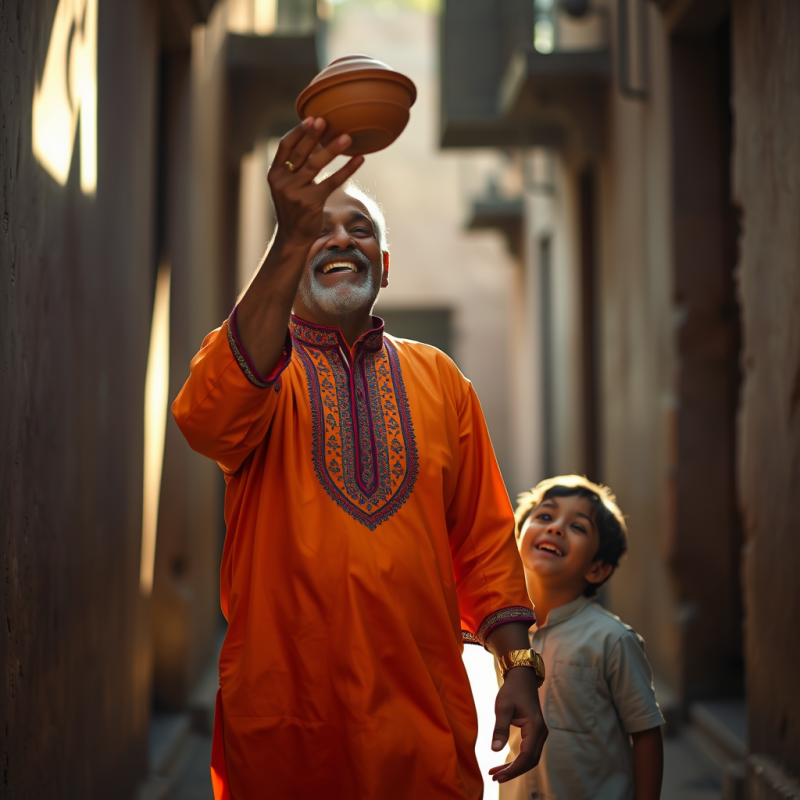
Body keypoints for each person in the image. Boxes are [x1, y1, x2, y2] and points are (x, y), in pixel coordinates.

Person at [172, 117, 548, 800]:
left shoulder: (441, 381)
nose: (339, 238)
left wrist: (518, 664)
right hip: (288, 728)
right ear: (288, 256)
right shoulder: (256, 368)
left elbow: (487, 542)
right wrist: (288, 234)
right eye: (318, 228)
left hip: (420, 726)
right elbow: (206, 420)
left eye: (360, 230)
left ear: (384, 265)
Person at [496, 475, 665, 800]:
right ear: (517, 536)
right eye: (545, 516)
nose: (556, 528)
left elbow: (645, 734)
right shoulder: (507, 635)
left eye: (578, 527)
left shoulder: (612, 640)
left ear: (597, 569)